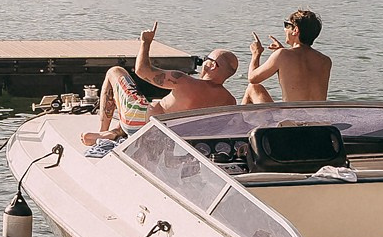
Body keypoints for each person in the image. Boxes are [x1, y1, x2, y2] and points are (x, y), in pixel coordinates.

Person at [85, 23, 237, 145]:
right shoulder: (230, 101)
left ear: (212, 65)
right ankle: (115, 132)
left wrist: (145, 43)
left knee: (115, 71)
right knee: (157, 103)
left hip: (143, 124)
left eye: (206, 59)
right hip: (173, 137)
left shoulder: (183, 81)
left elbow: (142, 70)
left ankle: (102, 132)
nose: (204, 62)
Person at [244, 9, 332, 104]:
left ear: (295, 30)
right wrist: (282, 51)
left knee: (253, 87)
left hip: (291, 117)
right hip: (318, 117)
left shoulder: (282, 55)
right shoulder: (325, 61)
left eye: (287, 25)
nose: (285, 29)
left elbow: (253, 78)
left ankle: (237, 119)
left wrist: (256, 53)